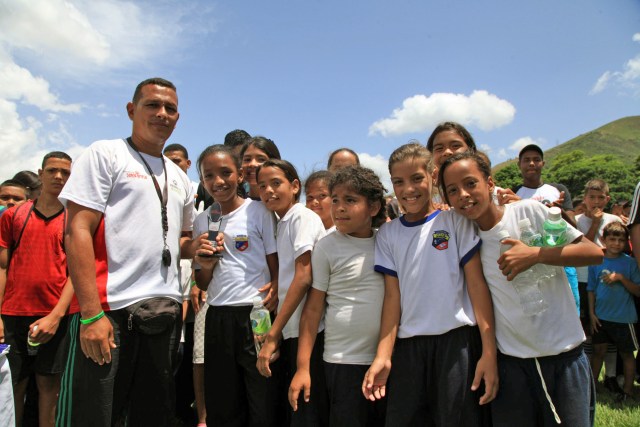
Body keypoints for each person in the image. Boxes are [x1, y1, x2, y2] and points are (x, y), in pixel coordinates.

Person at [56, 77, 204, 426]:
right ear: (131, 110)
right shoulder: (106, 154)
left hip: (162, 311)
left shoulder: (180, 177)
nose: (162, 114)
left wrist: (197, 247)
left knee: (151, 415)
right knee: (95, 415)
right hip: (110, 311)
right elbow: (76, 230)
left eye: (170, 108)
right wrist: (91, 315)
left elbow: (180, 243)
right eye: (152, 105)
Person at [439, 151, 603, 426]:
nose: (463, 195)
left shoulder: (529, 211)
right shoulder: (467, 238)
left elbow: (593, 252)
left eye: (470, 183)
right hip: (512, 364)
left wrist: (537, 254)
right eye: (453, 190)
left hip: (563, 356)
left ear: (490, 184)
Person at [362, 143, 497, 426]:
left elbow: (476, 286)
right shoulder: (388, 234)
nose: (408, 189)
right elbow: (392, 298)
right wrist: (383, 356)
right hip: (409, 348)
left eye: (416, 179)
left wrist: (488, 351)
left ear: (433, 177)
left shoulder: (455, 221)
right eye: (398, 182)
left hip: (456, 343)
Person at [289, 165, 387, 426]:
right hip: (341, 361)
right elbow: (312, 311)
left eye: (350, 200)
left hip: (386, 360)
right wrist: (302, 367)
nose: (339, 207)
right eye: (335, 200)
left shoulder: (388, 241)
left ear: (374, 207)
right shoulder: (327, 246)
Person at [193, 144, 279, 426]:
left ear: (240, 175)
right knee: (223, 401)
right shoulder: (202, 220)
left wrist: (275, 291)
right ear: (203, 181)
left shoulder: (260, 212)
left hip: (257, 315)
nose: (218, 182)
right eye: (209, 176)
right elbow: (201, 280)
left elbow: (273, 262)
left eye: (226, 173)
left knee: (262, 395)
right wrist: (205, 266)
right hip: (217, 315)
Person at [0, 151, 73, 427]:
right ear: (40, 174)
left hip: (54, 318)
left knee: (49, 390)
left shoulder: (73, 219)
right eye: (53, 170)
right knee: (12, 388)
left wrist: (56, 315)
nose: (58, 176)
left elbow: (75, 275)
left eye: (65, 172)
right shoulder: (14, 216)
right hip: (13, 316)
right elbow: (2, 267)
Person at [256, 159, 329, 426]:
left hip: (307, 332)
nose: (268, 191)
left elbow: (304, 275)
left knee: (306, 411)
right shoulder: (282, 221)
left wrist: (274, 334)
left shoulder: (301, 216)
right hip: (292, 330)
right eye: (262, 186)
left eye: (276, 183)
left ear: (294, 186)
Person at [574, 179, 622, 391]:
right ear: (584, 199)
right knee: (587, 329)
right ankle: (585, 377)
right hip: (583, 280)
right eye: (591, 197)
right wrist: (594, 223)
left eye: (600, 198)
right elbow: (584, 247)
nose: (595, 202)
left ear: (607, 199)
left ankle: (610, 376)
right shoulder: (576, 221)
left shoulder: (614, 219)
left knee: (607, 329)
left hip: (608, 280)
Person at [588, 222, 640, 403]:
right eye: (612, 239)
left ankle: (628, 391)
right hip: (601, 317)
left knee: (626, 354)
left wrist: (620, 278)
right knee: (598, 351)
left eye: (621, 240)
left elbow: (638, 290)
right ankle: (591, 389)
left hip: (624, 318)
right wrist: (592, 313)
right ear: (603, 240)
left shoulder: (630, 263)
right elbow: (591, 289)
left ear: (626, 242)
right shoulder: (596, 261)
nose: (616, 243)